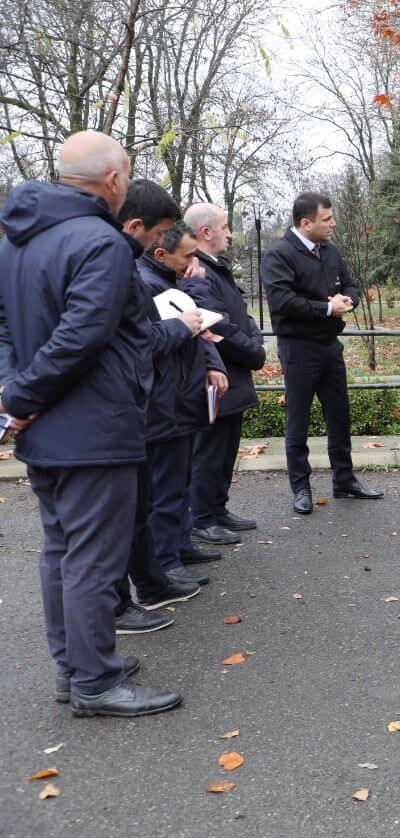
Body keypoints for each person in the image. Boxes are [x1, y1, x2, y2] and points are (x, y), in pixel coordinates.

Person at [0, 131, 181, 717]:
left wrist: (14, 395)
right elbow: (84, 335)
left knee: (61, 549)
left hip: (45, 425)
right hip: (94, 426)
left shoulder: (14, 241)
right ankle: (96, 682)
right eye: (126, 172)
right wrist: (22, 395)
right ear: (113, 181)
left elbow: (7, 330)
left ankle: (73, 667)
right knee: (92, 558)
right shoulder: (101, 244)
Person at [111, 180, 207, 637]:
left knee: (147, 499)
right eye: (158, 237)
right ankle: (112, 619)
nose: (157, 247)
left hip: (147, 404)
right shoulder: (122, 268)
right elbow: (137, 341)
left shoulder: (128, 266)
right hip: (127, 410)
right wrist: (182, 327)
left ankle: (150, 582)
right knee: (123, 514)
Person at [262, 192, 382, 514]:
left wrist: (348, 301)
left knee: (339, 417)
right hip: (298, 349)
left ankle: (344, 481)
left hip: (330, 347)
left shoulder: (330, 251)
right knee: (297, 422)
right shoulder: (279, 255)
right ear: (305, 223)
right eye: (326, 219)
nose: (333, 223)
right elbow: (282, 302)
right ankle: (301, 488)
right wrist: (328, 308)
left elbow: (352, 285)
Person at [137, 220, 230, 589]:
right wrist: (192, 290)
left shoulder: (172, 280)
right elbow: (151, 343)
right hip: (164, 402)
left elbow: (200, 332)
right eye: (189, 255)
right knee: (165, 485)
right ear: (161, 254)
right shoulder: (148, 285)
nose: (196, 262)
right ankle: (166, 560)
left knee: (180, 479)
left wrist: (211, 365)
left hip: (182, 397)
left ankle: (179, 544)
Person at [185, 203, 266, 545]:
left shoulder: (216, 270)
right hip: (215, 377)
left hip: (232, 377)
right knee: (210, 450)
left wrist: (253, 340)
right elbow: (217, 326)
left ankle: (217, 509)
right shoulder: (196, 273)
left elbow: (242, 317)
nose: (230, 233)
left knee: (226, 448)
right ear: (206, 232)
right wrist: (253, 350)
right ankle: (202, 517)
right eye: (225, 226)